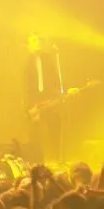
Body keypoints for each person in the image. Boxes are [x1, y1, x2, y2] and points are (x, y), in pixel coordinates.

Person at [24, 33, 63, 163]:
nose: (38, 42)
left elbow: (55, 78)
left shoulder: (48, 59)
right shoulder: (26, 61)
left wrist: (58, 93)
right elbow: (24, 85)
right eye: (34, 40)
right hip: (33, 101)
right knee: (34, 133)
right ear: (28, 44)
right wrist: (30, 105)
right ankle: (34, 161)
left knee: (54, 127)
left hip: (50, 100)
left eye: (40, 39)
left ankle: (55, 158)